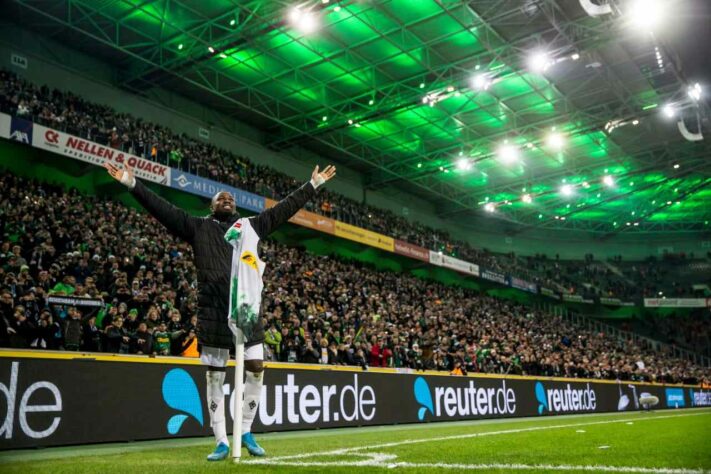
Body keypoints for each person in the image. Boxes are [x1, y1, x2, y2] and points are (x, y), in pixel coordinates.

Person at [105, 161, 335, 461]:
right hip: (213, 310)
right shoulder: (198, 227)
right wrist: (132, 184)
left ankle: (246, 431)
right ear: (211, 206)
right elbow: (162, 209)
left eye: (231, 199)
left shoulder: (252, 226)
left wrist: (313, 185)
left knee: (256, 369)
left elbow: (284, 209)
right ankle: (221, 441)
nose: (227, 200)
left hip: (247, 310)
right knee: (215, 377)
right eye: (221, 199)